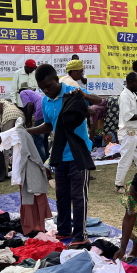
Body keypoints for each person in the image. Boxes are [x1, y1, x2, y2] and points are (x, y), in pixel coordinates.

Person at [27, 64, 102, 246]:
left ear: (56, 79)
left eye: (49, 86)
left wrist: (84, 95)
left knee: (79, 197)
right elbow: (49, 125)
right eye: (42, 88)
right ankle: (64, 230)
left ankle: (80, 236)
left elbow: (98, 100)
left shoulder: (72, 92)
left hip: (78, 153)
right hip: (59, 154)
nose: (46, 91)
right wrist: (28, 131)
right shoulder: (45, 101)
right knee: (62, 196)